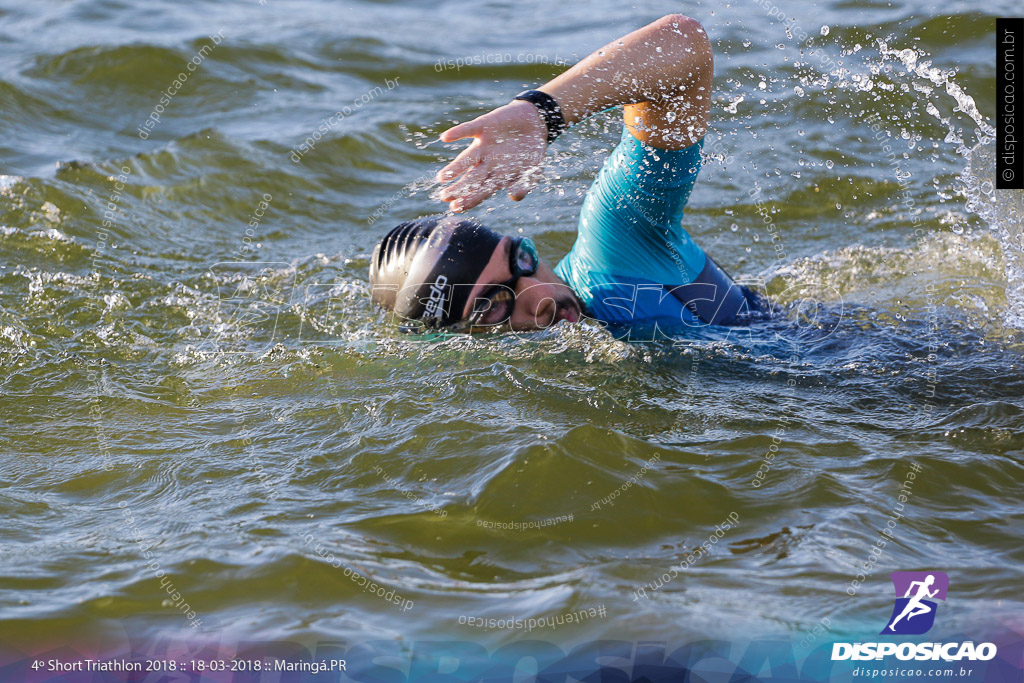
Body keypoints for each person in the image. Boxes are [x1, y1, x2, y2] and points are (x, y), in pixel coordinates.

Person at [370, 14, 768, 334]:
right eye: (492, 306)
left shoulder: (616, 247)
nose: (540, 297)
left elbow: (683, 42)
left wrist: (542, 113)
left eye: (522, 261)